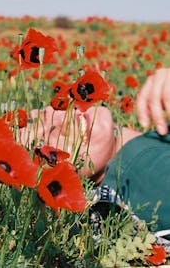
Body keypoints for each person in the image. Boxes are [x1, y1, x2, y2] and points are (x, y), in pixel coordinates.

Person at [19, 68, 170, 232]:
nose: (62, 122)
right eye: (43, 142)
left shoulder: (146, 147)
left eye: (45, 116)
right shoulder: (143, 175)